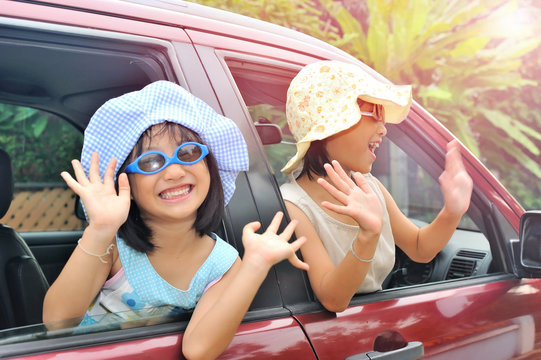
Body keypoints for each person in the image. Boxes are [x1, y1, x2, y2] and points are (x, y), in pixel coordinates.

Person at [43, 80, 308, 360]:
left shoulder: (223, 263)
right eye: (150, 162)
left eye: (188, 152)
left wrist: (255, 265)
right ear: (126, 184)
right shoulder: (113, 245)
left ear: (210, 165)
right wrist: (100, 230)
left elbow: (197, 351)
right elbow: (57, 322)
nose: (174, 172)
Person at [280, 60, 473, 313]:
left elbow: (419, 248)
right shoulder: (295, 204)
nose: (383, 129)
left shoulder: (370, 186)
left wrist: (452, 212)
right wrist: (367, 235)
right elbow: (333, 299)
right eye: (374, 114)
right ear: (330, 123)